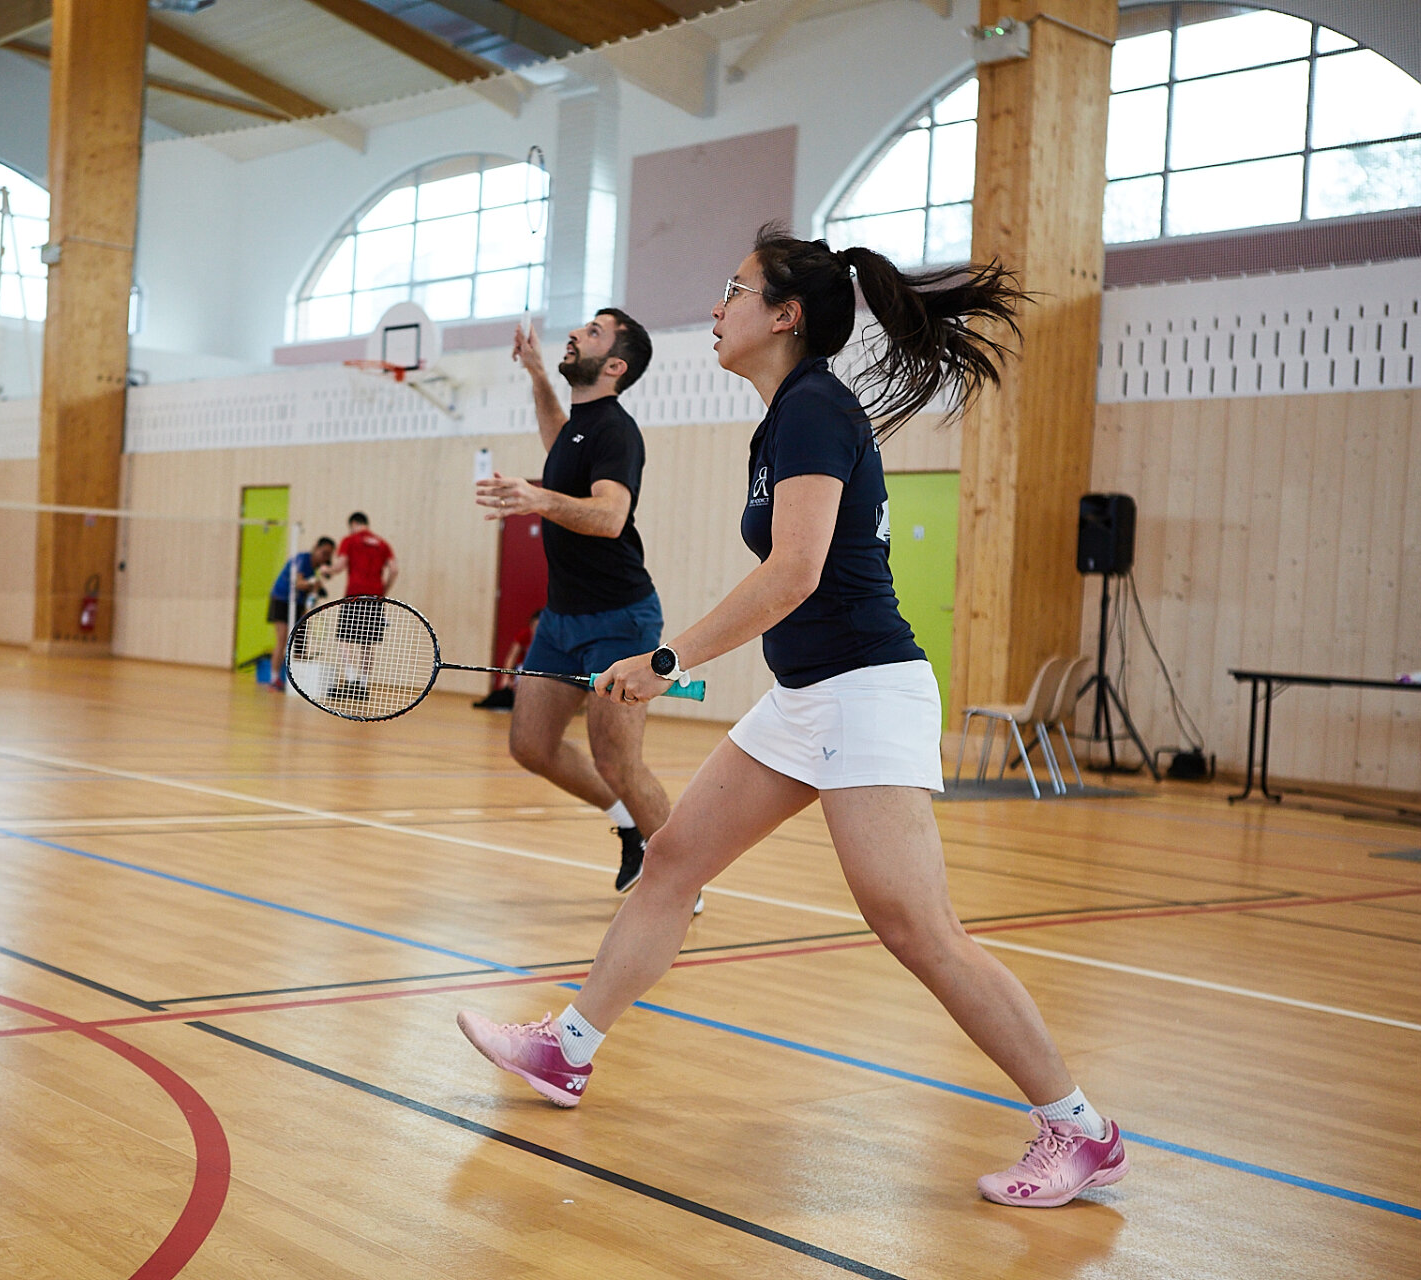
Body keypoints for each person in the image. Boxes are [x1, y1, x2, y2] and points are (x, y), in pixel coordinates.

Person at [459, 224, 1128, 1210]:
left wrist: (667, 661)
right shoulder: (784, 418)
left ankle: (1081, 1130)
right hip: (808, 694)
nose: (715, 308)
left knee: (918, 929)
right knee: (672, 859)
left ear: (784, 315)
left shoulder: (815, 408)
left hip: (866, 691)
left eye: (734, 290)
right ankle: (568, 1047)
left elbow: (796, 571)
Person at [476, 310, 675, 898]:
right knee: (530, 746)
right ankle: (629, 826)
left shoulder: (616, 431)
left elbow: (611, 516)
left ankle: (679, 878)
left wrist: (537, 499)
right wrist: (538, 373)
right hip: (561, 619)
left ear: (614, 366)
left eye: (593, 333)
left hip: (620, 619)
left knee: (618, 762)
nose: (576, 333)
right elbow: (556, 435)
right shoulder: (578, 427)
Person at [322, 512, 397, 699]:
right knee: (367, 643)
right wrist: (383, 591)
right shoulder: (383, 544)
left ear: (353, 523)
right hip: (375, 598)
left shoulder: (350, 540)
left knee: (343, 638)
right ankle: (363, 684)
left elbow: (340, 566)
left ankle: (351, 678)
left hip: (354, 595)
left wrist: (327, 569)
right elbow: (394, 569)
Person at [268, 536, 335, 690]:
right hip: (281, 599)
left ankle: (298, 681)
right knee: (282, 640)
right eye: (324, 553)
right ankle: (274, 679)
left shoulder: (315, 569)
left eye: (329, 555)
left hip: (298, 603)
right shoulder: (302, 559)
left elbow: (309, 594)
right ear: (316, 548)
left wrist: (314, 592)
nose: (325, 558)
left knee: (301, 641)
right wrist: (314, 584)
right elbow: (298, 583)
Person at [473, 609, 541, 711]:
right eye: (535, 626)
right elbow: (512, 657)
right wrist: (506, 676)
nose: (537, 630)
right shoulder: (524, 635)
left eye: (540, 627)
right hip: (523, 669)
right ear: (531, 625)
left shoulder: (548, 640)